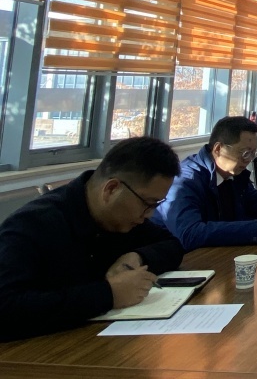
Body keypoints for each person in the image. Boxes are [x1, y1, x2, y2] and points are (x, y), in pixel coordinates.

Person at [0, 137, 184, 341]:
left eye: (156, 204)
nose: (149, 214)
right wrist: (109, 294)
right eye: (147, 203)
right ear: (111, 189)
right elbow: (6, 307)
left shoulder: (125, 219)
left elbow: (172, 245)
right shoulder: (32, 225)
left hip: (97, 340)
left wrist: (136, 257)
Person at [153, 116, 257, 250]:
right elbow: (190, 233)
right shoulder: (185, 181)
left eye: (253, 154)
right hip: (187, 263)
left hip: (223, 254)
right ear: (218, 149)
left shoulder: (234, 174)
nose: (248, 160)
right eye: (245, 153)